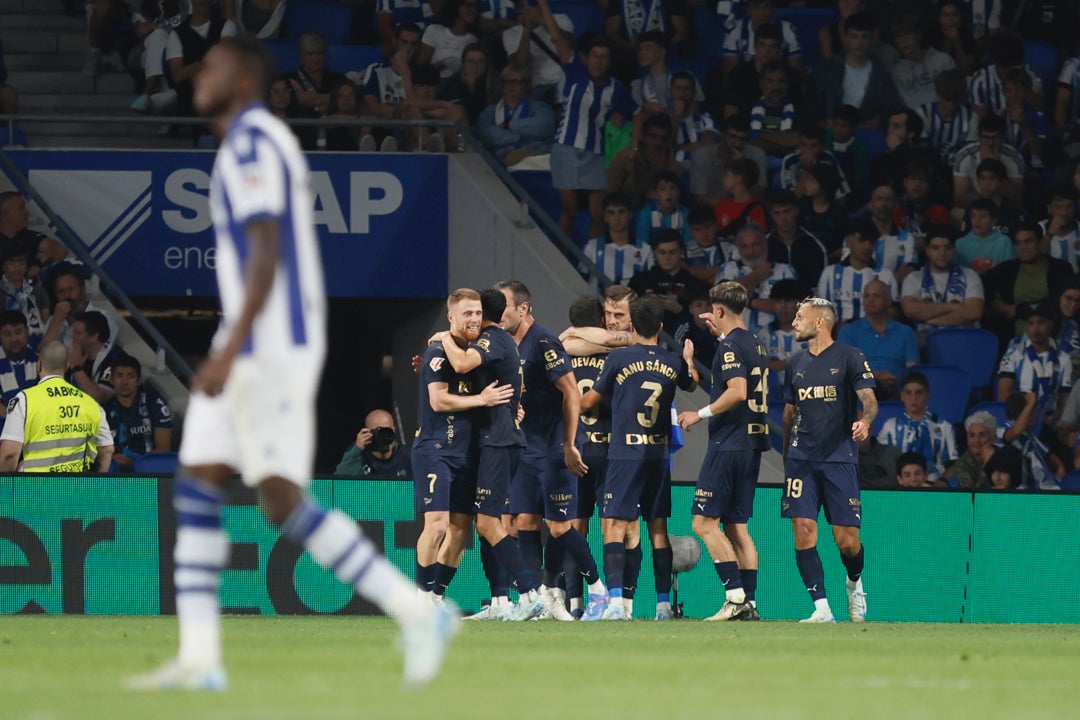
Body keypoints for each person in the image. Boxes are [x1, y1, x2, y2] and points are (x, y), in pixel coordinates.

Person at [127, 36, 458, 691]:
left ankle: (416, 612)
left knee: (240, 487)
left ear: (245, 79)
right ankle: (202, 657)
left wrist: (229, 347)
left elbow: (266, 251)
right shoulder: (250, 141)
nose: (200, 71)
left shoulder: (252, 141)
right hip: (265, 343)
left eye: (214, 63)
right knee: (247, 492)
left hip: (268, 349)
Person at [496, 281, 607, 622]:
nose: (496, 316)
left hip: (554, 446)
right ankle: (538, 599)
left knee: (559, 527)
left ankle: (599, 589)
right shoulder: (503, 342)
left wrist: (570, 443)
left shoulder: (543, 340)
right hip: (525, 447)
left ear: (523, 308)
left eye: (502, 309)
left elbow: (571, 392)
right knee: (523, 521)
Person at [580, 296, 697, 621]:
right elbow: (692, 381)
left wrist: (568, 402)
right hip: (658, 457)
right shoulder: (672, 361)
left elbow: (591, 399)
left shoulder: (619, 358)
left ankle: (617, 602)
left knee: (615, 526)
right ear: (661, 326)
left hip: (625, 454)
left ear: (632, 325)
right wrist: (687, 358)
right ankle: (662, 605)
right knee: (658, 529)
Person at [434, 287, 547, 621]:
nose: (472, 319)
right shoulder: (496, 343)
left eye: (476, 313)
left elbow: (462, 361)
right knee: (478, 522)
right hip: (491, 441)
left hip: (500, 442)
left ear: (485, 315)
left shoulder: (494, 339)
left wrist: (443, 336)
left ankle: (530, 593)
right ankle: (496, 600)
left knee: (487, 523)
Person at [411, 288, 515, 606]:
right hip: (435, 449)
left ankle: (437, 597)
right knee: (438, 524)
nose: (473, 318)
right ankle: (421, 594)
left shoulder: (478, 354)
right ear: (452, 316)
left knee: (459, 530)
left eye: (477, 313)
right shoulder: (438, 353)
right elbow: (438, 400)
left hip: (468, 453)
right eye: (467, 313)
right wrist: (480, 400)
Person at [781, 297, 877, 623]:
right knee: (804, 529)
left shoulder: (850, 357)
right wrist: (785, 457)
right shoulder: (794, 363)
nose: (794, 322)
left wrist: (865, 421)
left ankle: (854, 585)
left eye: (799, 316)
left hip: (839, 458)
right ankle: (821, 608)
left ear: (820, 322)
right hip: (800, 459)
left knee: (846, 540)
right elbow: (789, 413)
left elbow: (869, 399)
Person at [676, 281, 767, 621]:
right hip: (752, 442)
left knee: (703, 523)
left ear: (718, 310)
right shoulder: (755, 342)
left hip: (728, 443)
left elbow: (737, 391)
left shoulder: (729, 347)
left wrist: (697, 415)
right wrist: (718, 340)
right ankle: (750, 604)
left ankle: (735, 597)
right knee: (736, 527)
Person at [552, 36, 638, 238]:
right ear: (587, 59)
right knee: (569, 210)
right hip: (566, 149)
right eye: (595, 56)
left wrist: (634, 147)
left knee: (599, 214)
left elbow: (638, 113)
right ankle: (561, 256)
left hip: (595, 153)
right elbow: (558, 38)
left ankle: (590, 263)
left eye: (603, 58)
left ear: (609, 62)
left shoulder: (617, 88)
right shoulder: (575, 73)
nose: (598, 61)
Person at [0, 340, 113, 473]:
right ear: (67, 365)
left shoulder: (24, 400)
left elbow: (10, 454)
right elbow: (107, 450)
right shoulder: (90, 403)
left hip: (35, 489)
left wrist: (5, 488)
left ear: (39, 365)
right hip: (76, 489)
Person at [982, 225, 1073, 344]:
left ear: (1040, 242)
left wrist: (1020, 309)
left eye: (1028, 241)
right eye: (1018, 243)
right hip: (1013, 341)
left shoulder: (1060, 269)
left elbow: (1062, 302)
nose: (1023, 247)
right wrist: (994, 303)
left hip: (1054, 339)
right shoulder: (1006, 269)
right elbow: (981, 286)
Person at [996, 300, 1073, 432]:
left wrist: (1054, 418)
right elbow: (1004, 394)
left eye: (1041, 322)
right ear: (1025, 326)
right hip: (1020, 421)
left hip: (1051, 423)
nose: (1035, 329)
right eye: (1030, 323)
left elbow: (1065, 401)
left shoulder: (1064, 358)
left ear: (1051, 325)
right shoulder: (1014, 353)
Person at [814, 12, 900, 128]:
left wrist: (879, 121)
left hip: (867, 134)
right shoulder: (827, 67)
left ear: (872, 38)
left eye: (864, 36)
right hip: (831, 134)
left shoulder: (880, 73)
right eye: (854, 36)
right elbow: (814, 103)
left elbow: (892, 107)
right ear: (845, 38)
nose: (859, 42)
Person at [837, 278, 918, 399]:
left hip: (896, 390)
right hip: (859, 392)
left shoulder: (905, 332)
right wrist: (876, 376)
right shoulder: (848, 331)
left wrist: (896, 380)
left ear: (888, 301)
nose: (871, 300)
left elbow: (913, 370)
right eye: (867, 296)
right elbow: (844, 370)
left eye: (876, 296)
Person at [899, 225, 985, 338]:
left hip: (965, 340)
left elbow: (973, 312)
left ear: (954, 249)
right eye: (935, 248)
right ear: (927, 251)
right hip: (926, 342)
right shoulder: (913, 278)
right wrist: (954, 307)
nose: (942, 253)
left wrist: (930, 319)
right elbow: (910, 310)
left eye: (947, 248)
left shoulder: (970, 275)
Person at [876, 371, 958, 482]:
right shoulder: (890, 426)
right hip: (899, 488)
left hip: (933, 487)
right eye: (908, 393)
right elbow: (880, 463)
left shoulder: (944, 426)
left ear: (927, 395)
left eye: (919, 392)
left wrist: (942, 483)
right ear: (902, 396)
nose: (913, 398)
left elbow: (953, 464)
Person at [717, 223, 796, 333]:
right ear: (737, 248)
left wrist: (746, 301)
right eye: (745, 246)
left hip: (775, 341)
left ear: (765, 244)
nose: (751, 252)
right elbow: (720, 299)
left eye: (756, 245)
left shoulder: (784, 270)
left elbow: (788, 309)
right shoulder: (728, 269)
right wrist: (756, 276)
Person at [102, 354, 173, 472]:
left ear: (138, 381)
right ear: (111, 380)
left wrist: (134, 462)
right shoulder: (103, 410)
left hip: (150, 473)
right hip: (115, 476)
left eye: (130, 376)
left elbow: (164, 450)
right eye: (119, 376)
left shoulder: (154, 404)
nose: (124, 382)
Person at [816, 224, 899, 324]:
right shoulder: (829, 273)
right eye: (862, 240)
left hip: (874, 332)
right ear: (848, 241)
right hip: (838, 333)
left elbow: (894, 312)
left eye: (871, 242)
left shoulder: (886, 275)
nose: (867, 246)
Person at [628, 229, 710, 329]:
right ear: (655, 253)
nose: (667, 257)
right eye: (662, 252)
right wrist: (643, 303)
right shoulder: (639, 281)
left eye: (672, 252)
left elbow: (703, 322)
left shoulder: (697, 285)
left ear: (681, 252)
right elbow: (626, 312)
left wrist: (680, 310)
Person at [475, 64, 555, 165]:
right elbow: (486, 134)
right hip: (500, 161)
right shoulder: (491, 110)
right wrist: (517, 137)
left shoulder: (539, 107)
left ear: (526, 85)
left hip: (534, 157)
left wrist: (509, 125)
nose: (511, 85)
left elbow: (544, 126)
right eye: (508, 81)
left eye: (517, 81)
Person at [287, 32, 348, 151]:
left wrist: (311, 99)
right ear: (301, 56)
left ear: (326, 54)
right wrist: (334, 99)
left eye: (320, 53)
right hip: (301, 138)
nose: (316, 59)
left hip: (337, 137)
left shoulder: (338, 79)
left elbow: (349, 101)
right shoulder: (289, 79)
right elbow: (296, 101)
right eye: (310, 54)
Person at [42, 260, 119, 354]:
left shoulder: (103, 317)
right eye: (61, 292)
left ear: (83, 289)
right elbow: (44, 355)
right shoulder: (53, 321)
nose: (67, 295)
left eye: (71, 289)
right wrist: (56, 323)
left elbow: (103, 355)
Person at [580, 192, 653, 285]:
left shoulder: (645, 249)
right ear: (605, 217)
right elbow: (581, 282)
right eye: (611, 213)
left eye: (621, 212)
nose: (617, 218)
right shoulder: (591, 248)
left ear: (630, 214)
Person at [889, 14, 955, 110]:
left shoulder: (943, 61)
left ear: (918, 34)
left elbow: (957, 95)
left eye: (907, 34)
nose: (903, 41)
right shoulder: (894, 71)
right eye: (898, 37)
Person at [764, 189, 829, 287]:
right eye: (777, 213)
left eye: (787, 211)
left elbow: (821, 286)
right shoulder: (764, 245)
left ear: (796, 211)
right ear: (771, 215)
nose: (783, 218)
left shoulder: (814, 245)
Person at [952, 411, 1022, 489]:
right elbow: (971, 496)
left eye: (982, 435)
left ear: (993, 438)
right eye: (972, 435)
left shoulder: (1007, 455)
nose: (976, 441)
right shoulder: (962, 465)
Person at [335, 409, 413, 478]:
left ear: (394, 430)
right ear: (368, 432)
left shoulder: (408, 455)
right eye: (379, 431)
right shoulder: (358, 454)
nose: (384, 435)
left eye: (387, 430)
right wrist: (357, 449)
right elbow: (339, 482)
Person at [67, 310, 120, 405]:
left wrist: (76, 367)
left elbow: (98, 396)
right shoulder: (76, 353)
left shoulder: (114, 360)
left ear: (94, 337)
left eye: (78, 333)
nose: (72, 336)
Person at [416, 0, 480, 80]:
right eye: (468, 5)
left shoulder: (473, 40)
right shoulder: (434, 31)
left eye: (476, 6)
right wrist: (441, 65)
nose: (474, 10)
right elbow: (420, 69)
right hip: (433, 84)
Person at [0, 242, 49, 345]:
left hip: (38, 342)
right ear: (3, 266)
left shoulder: (37, 290)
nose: (17, 267)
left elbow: (46, 322)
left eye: (21, 262)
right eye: (11, 262)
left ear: (27, 266)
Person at [0, 310, 38, 434]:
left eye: (18, 332)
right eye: (7, 334)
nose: (14, 338)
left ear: (27, 331)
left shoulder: (41, 362)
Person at [712, 158, 766, 241]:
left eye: (727, 175)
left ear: (738, 178)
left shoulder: (757, 208)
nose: (723, 179)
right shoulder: (721, 204)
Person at [635, 170, 691, 246]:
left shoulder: (686, 213)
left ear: (679, 192)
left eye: (672, 188)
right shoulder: (646, 213)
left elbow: (688, 243)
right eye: (663, 189)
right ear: (655, 194)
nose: (668, 193)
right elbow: (642, 243)